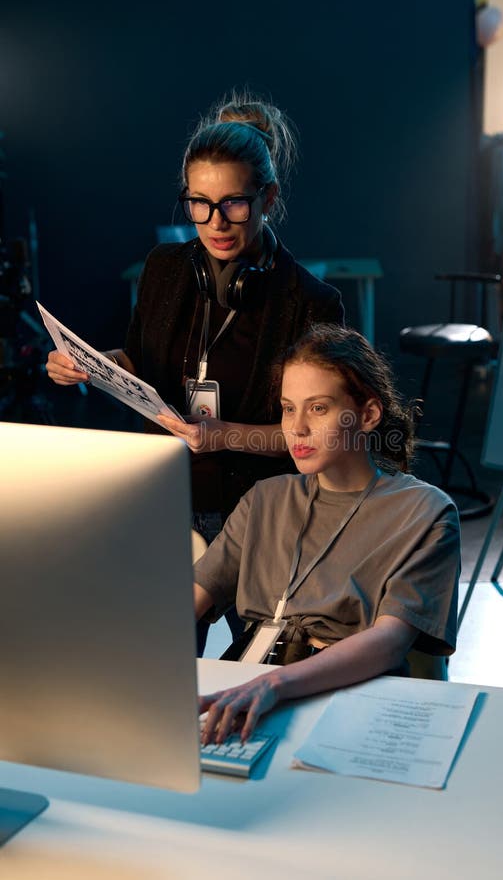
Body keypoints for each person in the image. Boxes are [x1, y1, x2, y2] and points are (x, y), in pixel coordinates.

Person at [45, 92, 344, 652]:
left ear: (268, 197)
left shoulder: (311, 303)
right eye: (198, 204)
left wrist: (222, 435)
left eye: (233, 204)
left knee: (260, 674)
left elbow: (319, 437)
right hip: (168, 502)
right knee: (156, 662)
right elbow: (138, 362)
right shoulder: (164, 269)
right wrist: (88, 366)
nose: (214, 223)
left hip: (263, 518)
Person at [192, 324, 460, 745]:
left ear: (368, 415)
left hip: (345, 698)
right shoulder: (266, 498)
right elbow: (188, 602)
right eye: (287, 408)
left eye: (318, 409)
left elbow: (390, 641)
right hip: (249, 685)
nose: (296, 428)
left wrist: (274, 685)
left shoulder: (424, 512)